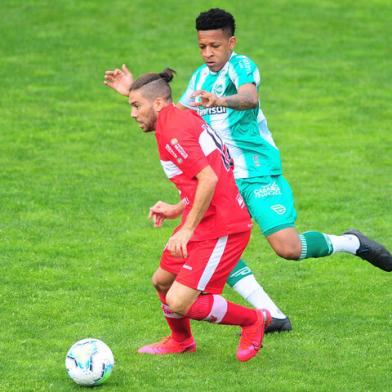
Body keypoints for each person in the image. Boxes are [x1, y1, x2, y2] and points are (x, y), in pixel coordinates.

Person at [104, 8, 392, 330]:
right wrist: (133, 92)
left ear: (231, 42)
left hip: (256, 171)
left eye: (215, 46)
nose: (209, 53)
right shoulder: (199, 77)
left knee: (288, 248)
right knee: (215, 245)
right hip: (223, 179)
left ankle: (351, 243)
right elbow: (168, 112)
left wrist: (219, 101)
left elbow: (249, 98)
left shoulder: (241, 66)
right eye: (202, 47)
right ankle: (271, 315)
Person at [125, 67, 272, 362]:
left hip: (221, 226)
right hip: (205, 215)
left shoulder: (172, 131)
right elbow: (206, 172)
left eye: (136, 106)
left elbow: (208, 179)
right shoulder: (176, 117)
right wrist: (177, 208)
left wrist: (187, 228)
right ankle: (181, 341)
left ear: (157, 104)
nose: (132, 114)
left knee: (180, 301)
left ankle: (254, 320)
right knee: (162, 282)